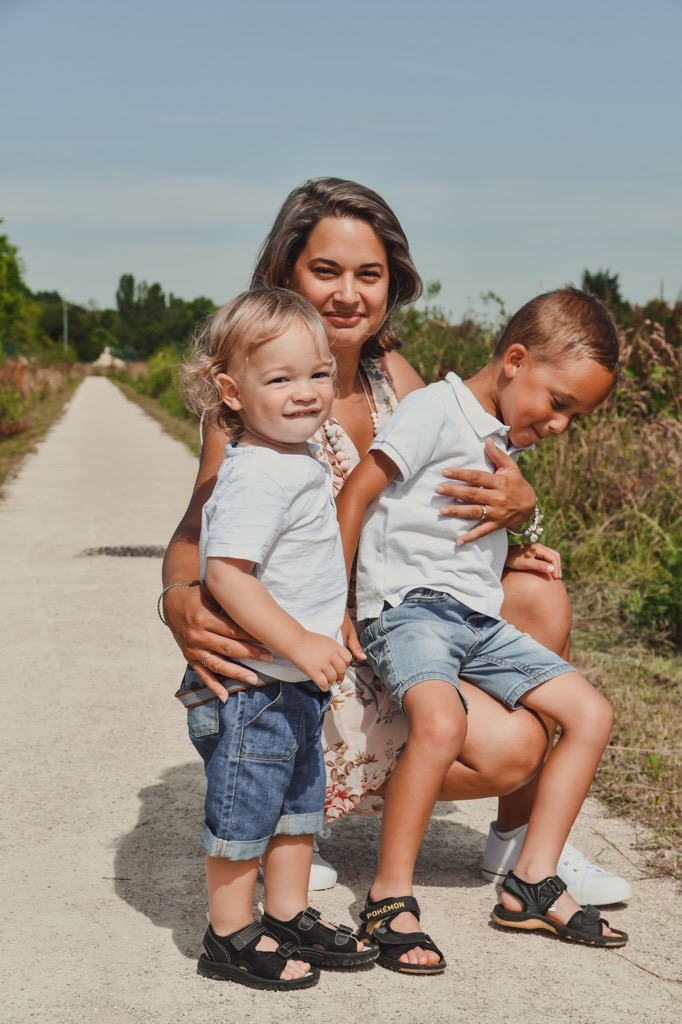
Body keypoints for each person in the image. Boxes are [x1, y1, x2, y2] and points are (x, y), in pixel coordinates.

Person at [160, 177, 632, 910]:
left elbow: (443, 506)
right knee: (500, 739)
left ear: (391, 285)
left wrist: (522, 514)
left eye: (368, 275)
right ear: (287, 273)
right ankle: (280, 809)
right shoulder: (261, 397)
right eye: (326, 271)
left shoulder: (395, 379)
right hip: (306, 654)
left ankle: (523, 844)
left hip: (386, 624)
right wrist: (177, 599)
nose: (348, 293)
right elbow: (198, 531)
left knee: (538, 593)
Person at [335, 288, 629, 971]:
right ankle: (389, 895)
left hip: (473, 620)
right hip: (407, 612)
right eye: (558, 403)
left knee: (590, 713)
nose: (560, 425)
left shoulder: (497, 438)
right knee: (440, 724)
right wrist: (341, 606)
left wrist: (516, 544)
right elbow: (358, 494)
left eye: (574, 416)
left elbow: (446, 525)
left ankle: (531, 878)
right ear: (515, 360)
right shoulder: (435, 409)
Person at [176, 287, 377, 989]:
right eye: (280, 379)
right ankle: (229, 934)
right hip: (255, 683)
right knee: (246, 806)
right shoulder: (257, 471)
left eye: (318, 375)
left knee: (297, 804)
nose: (305, 394)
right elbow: (227, 578)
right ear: (231, 392)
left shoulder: (295, 457)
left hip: (289, 679)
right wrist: (298, 640)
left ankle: (287, 913)